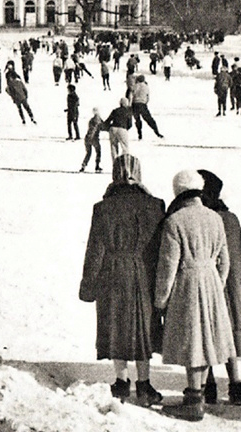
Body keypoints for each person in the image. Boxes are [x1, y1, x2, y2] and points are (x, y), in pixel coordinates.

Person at [78, 154, 166, 407]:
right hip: (144, 272)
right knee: (144, 326)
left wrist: (88, 285)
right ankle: (145, 383)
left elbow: (95, 249)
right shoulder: (155, 204)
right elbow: (161, 248)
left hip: (113, 271)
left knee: (116, 324)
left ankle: (121, 381)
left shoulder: (103, 207)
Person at [156, 170, 235, 421]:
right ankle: (196, 396)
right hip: (210, 281)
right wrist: (217, 283)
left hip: (188, 283)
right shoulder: (215, 218)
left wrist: (162, 299)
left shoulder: (175, 221)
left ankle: (192, 402)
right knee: (205, 340)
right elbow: (225, 260)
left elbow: (168, 265)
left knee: (193, 341)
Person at [198, 170, 241, 406]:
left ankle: (208, 384)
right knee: (228, 336)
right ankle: (236, 385)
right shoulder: (231, 218)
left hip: (209, 284)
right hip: (231, 286)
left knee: (205, 332)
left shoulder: (202, 218)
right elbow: (240, 255)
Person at [130, 75, 163, 139]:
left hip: (135, 104)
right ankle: (157, 132)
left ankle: (140, 134)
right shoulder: (146, 87)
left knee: (137, 120)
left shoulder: (135, 86)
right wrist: (145, 102)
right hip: (142, 104)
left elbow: (131, 95)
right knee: (149, 119)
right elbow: (147, 97)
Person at [79, 108, 103, 173]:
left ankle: (83, 166)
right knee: (98, 151)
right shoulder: (98, 119)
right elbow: (103, 127)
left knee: (88, 153)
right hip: (94, 138)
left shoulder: (91, 120)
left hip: (87, 138)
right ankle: (97, 166)